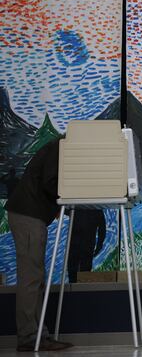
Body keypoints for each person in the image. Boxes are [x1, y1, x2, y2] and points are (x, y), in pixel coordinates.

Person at [6, 138, 74, 352]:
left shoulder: (57, 147)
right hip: (28, 216)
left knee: (35, 277)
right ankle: (29, 336)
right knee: (30, 278)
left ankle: (37, 335)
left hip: (29, 215)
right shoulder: (60, 148)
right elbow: (51, 181)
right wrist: (71, 197)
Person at [67, 209, 107, 282]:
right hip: (85, 244)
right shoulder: (96, 209)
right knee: (82, 270)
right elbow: (102, 228)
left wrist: (99, 244)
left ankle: (73, 288)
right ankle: (79, 288)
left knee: (75, 268)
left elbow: (102, 228)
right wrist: (99, 244)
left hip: (78, 244)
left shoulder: (77, 206)